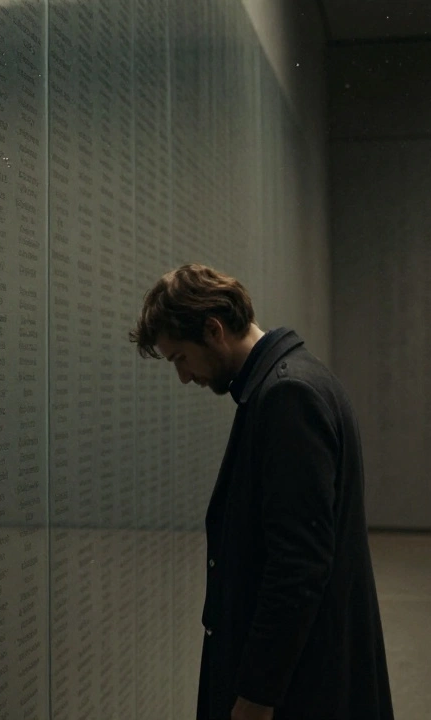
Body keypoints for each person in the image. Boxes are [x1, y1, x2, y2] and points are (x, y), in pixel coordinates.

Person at [129, 264, 394, 720]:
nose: (184, 377)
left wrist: (257, 694)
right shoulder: (292, 380)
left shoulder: (287, 396)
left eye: (180, 359)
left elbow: (298, 563)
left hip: (301, 688)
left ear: (213, 330)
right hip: (309, 672)